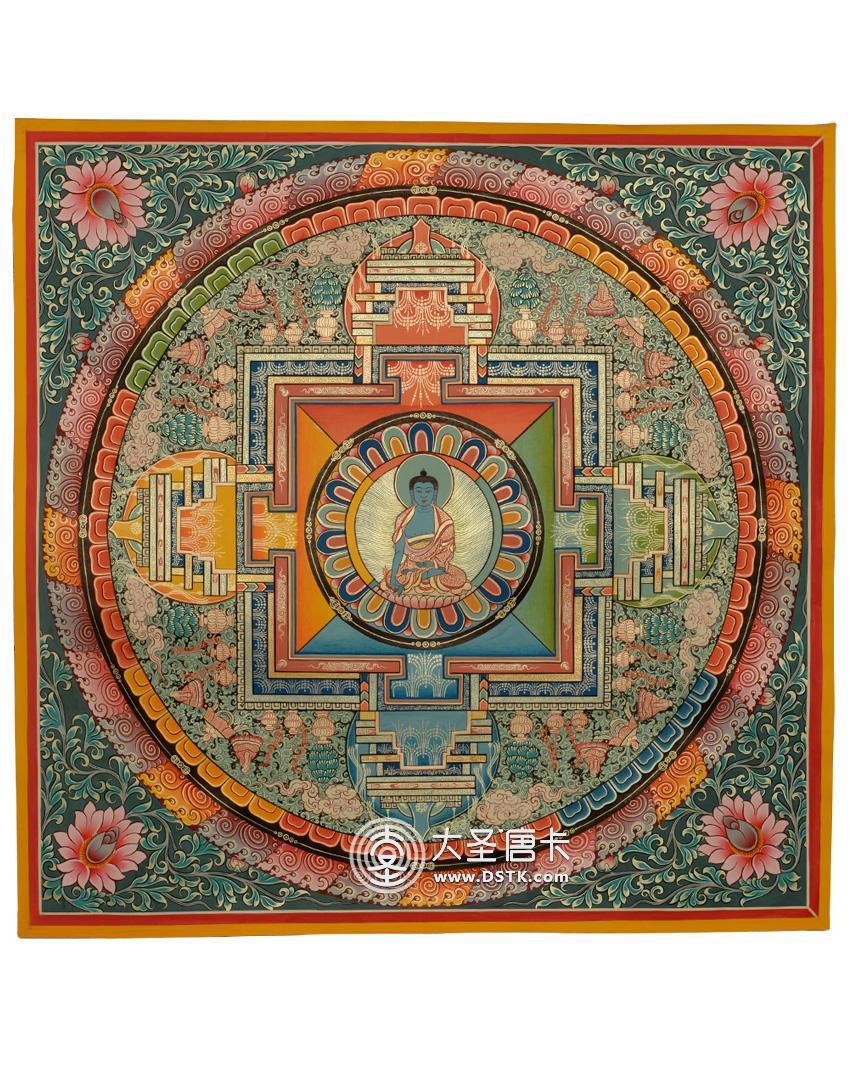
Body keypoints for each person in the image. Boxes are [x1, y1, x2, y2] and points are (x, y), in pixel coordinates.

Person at [385, 469, 468, 603]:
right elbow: (399, 551)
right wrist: (394, 578)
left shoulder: (445, 521)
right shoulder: (403, 519)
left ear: (434, 493)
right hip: (412, 565)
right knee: (390, 577)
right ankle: (423, 576)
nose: (423, 495)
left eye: (428, 491)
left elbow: (448, 550)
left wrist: (432, 563)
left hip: (435, 565)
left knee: (460, 577)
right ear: (412, 493)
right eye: (419, 491)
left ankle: (425, 575)